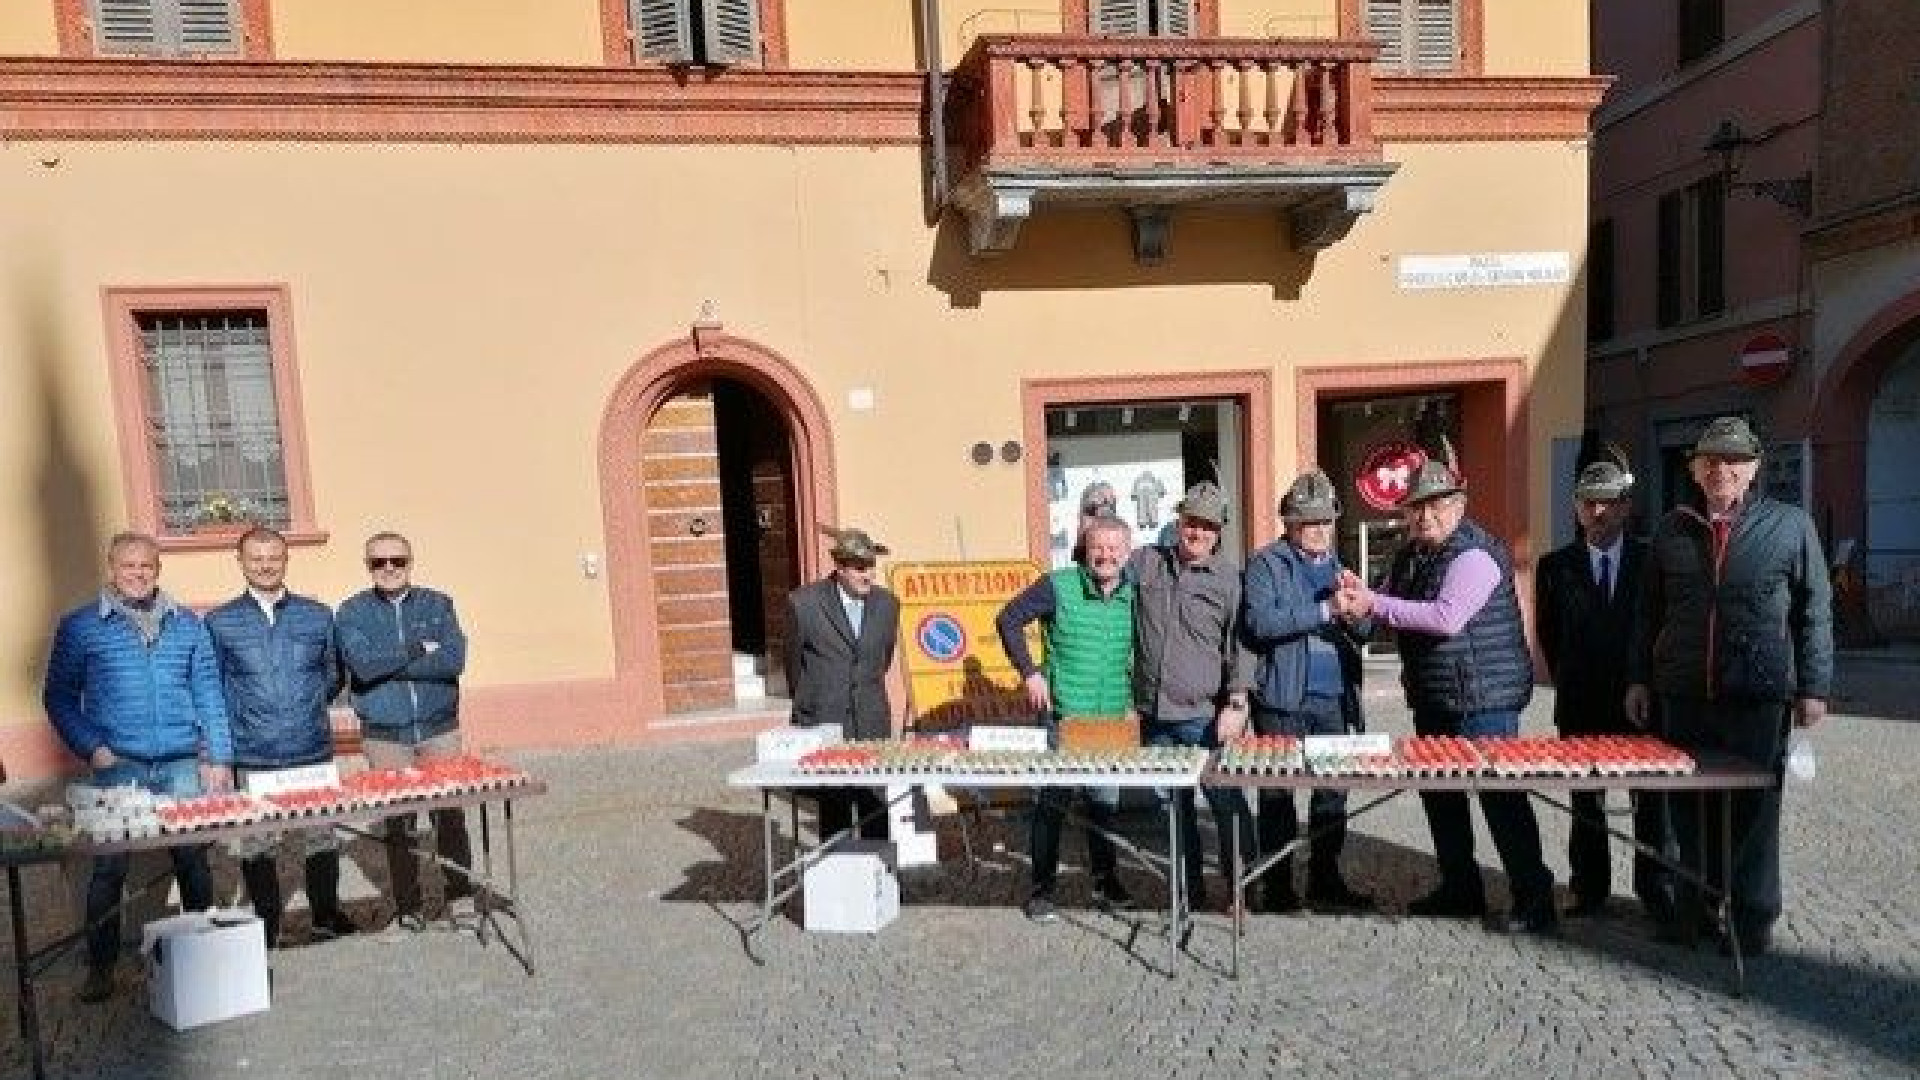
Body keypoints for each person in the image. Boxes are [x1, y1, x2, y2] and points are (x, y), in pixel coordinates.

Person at [1626, 416, 1832, 956]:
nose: (1723, 470)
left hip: (1757, 694)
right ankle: (1692, 911)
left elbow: (1815, 608)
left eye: (1734, 461)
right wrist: (1639, 679)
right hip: (1683, 693)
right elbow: (1647, 612)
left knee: (1754, 815)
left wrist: (1814, 685)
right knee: (1686, 811)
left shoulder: (1789, 525)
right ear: (1695, 469)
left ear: (1754, 469)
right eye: (1712, 460)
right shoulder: (1672, 528)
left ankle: (1751, 918)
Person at [1337, 461, 1558, 934]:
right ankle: (1460, 888)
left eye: (1435, 504)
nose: (1424, 515)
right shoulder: (1409, 557)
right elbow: (1389, 616)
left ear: (1458, 505)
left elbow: (1445, 617)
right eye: (1416, 507)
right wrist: (1359, 607)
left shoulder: (1475, 554)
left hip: (1485, 700)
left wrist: (1375, 603)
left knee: (1502, 799)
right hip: (1435, 696)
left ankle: (1534, 897)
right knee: (1442, 798)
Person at [43, 532, 234, 1002]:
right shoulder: (81, 626)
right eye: (128, 566)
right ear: (111, 568)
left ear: (158, 569)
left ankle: (203, 953)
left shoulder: (188, 624)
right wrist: (91, 747)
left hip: (181, 763)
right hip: (118, 764)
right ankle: (101, 967)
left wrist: (220, 756)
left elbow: (208, 691)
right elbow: (58, 696)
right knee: (110, 869)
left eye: (146, 566)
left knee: (192, 859)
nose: (138, 574)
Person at [205, 527, 359, 947]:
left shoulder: (316, 614)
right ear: (240, 562)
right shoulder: (220, 622)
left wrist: (305, 708)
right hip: (254, 754)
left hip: (311, 749)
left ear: (286, 558)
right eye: (255, 557)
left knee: (322, 836)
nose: (265, 565)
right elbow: (215, 687)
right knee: (257, 844)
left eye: (273, 556)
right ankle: (267, 925)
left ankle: (325, 915)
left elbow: (332, 675)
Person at [1534, 461, 1673, 923]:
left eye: (1609, 503)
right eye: (1589, 503)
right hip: (1580, 702)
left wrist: (1646, 682)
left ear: (1626, 507)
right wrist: (1571, 680)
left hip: (1640, 703)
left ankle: (1656, 887)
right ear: (1575, 508)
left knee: (1650, 801)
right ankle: (1589, 887)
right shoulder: (1555, 567)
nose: (1598, 511)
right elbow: (1550, 638)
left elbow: (1661, 628)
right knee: (1585, 801)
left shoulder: (1651, 560)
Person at [1241, 469, 1373, 914]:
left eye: (1325, 522)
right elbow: (1260, 623)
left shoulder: (1341, 567)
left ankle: (1325, 876)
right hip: (1282, 696)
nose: (1319, 530)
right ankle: (1277, 884)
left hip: (1335, 697)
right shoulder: (1265, 564)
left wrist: (1359, 609)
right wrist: (1323, 609)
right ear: (1289, 524)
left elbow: (1368, 627)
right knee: (1279, 791)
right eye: (1308, 522)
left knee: (1332, 789)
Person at [996, 515, 1137, 922]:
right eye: (1098, 547)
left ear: (1127, 553)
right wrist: (1029, 672)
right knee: (1052, 806)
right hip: (1064, 716)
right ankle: (1041, 890)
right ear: (1085, 549)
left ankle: (1105, 882)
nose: (1106, 555)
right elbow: (1008, 619)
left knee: (1104, 806)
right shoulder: (1058, 586)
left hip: (1110, 718)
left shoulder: (1135, 593)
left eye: (1114, 548)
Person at [336, 531, 474, 937]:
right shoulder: (352, 611)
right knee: (397, 821)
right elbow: (361, 667)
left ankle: (459, 894)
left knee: (450, 815)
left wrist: (390, 662)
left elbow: (454, 660)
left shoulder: (438, 603)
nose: (389, 568)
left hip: (439, 729)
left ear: (410, 562)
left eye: (397, 560)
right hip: (385, 735)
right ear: (368, 567)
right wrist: (418, 649)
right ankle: (407, 904)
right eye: (379, 562)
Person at [1128, 482, 1255, 913]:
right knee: (1173, 805)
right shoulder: (1145, 563)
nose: (1196, 531)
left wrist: (1238, 702)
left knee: (1225, 800)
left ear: (1218, 532)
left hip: (1205, 716)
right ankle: (1188, 887)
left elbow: (1241, 646)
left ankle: (1242, 883)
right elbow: (1099, 572)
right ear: (1178, 522)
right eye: (1190, 522)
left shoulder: (1230, 580)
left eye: (1206, 525)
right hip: (1155, 715)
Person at [785, 526, 901, 842]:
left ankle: (880, 880)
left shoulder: (888, 605)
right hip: (827, 721)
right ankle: (836, 882)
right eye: (861, 568)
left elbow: (883, 659)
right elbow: (794, 668)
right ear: (840, 567)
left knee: (875, 809)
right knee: (834, 811)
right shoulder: (804, 604)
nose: (869, 575)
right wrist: (815, 704)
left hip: (871, 721)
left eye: (872, 566)